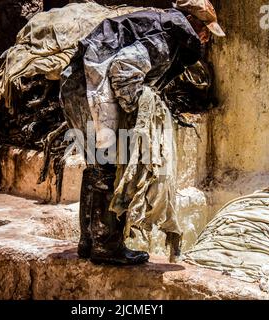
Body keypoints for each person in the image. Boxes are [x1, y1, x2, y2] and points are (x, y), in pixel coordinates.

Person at [61, 0, 225, 265]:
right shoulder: (167, 36)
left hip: (80, 85)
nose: (206, 38)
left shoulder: (157, 25)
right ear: (192, 22)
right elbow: (124, 68)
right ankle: (107, 247)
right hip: (95, 90)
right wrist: (138, 108)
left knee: (97, 165)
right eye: (205, 29)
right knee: (111, 167)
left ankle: (90, 242)